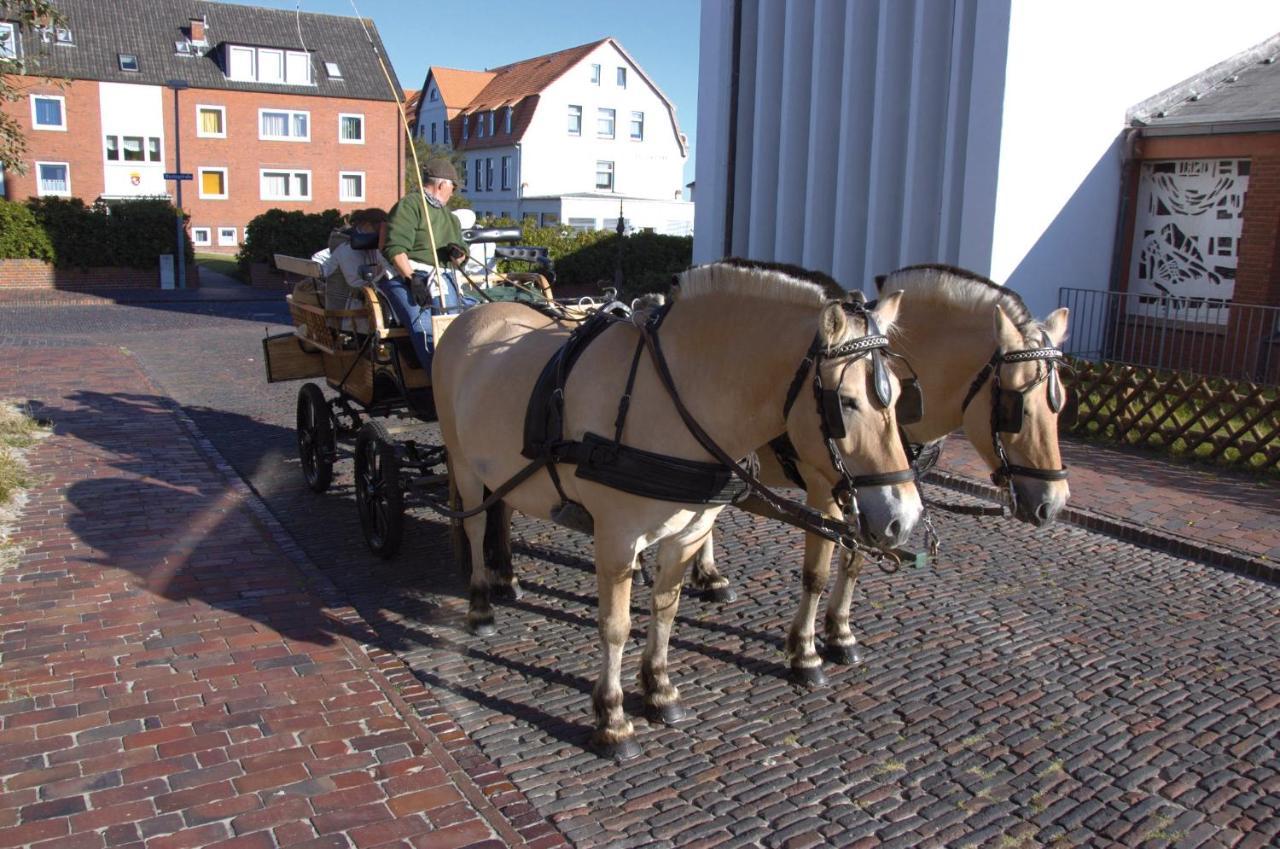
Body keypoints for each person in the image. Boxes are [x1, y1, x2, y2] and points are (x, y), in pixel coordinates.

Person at [381, 157, 469, 369]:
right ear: (442, 185)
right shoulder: (410, 205)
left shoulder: (450, 218)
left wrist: (458, 254)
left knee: (460, 322)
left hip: (442, 276)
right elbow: (395, 248)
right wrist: (411, 279)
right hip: (407, 276)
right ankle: (435, 381)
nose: (453, 192)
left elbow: (461, 256)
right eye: (453, 187)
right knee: (425, 328)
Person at [310, 208, 390, 331]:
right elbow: (357, 286)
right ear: (367, 225)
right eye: (380, 229)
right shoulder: (347, 249)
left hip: (362, 310)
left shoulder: (371, 246)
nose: (383, 235)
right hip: (345, 316)